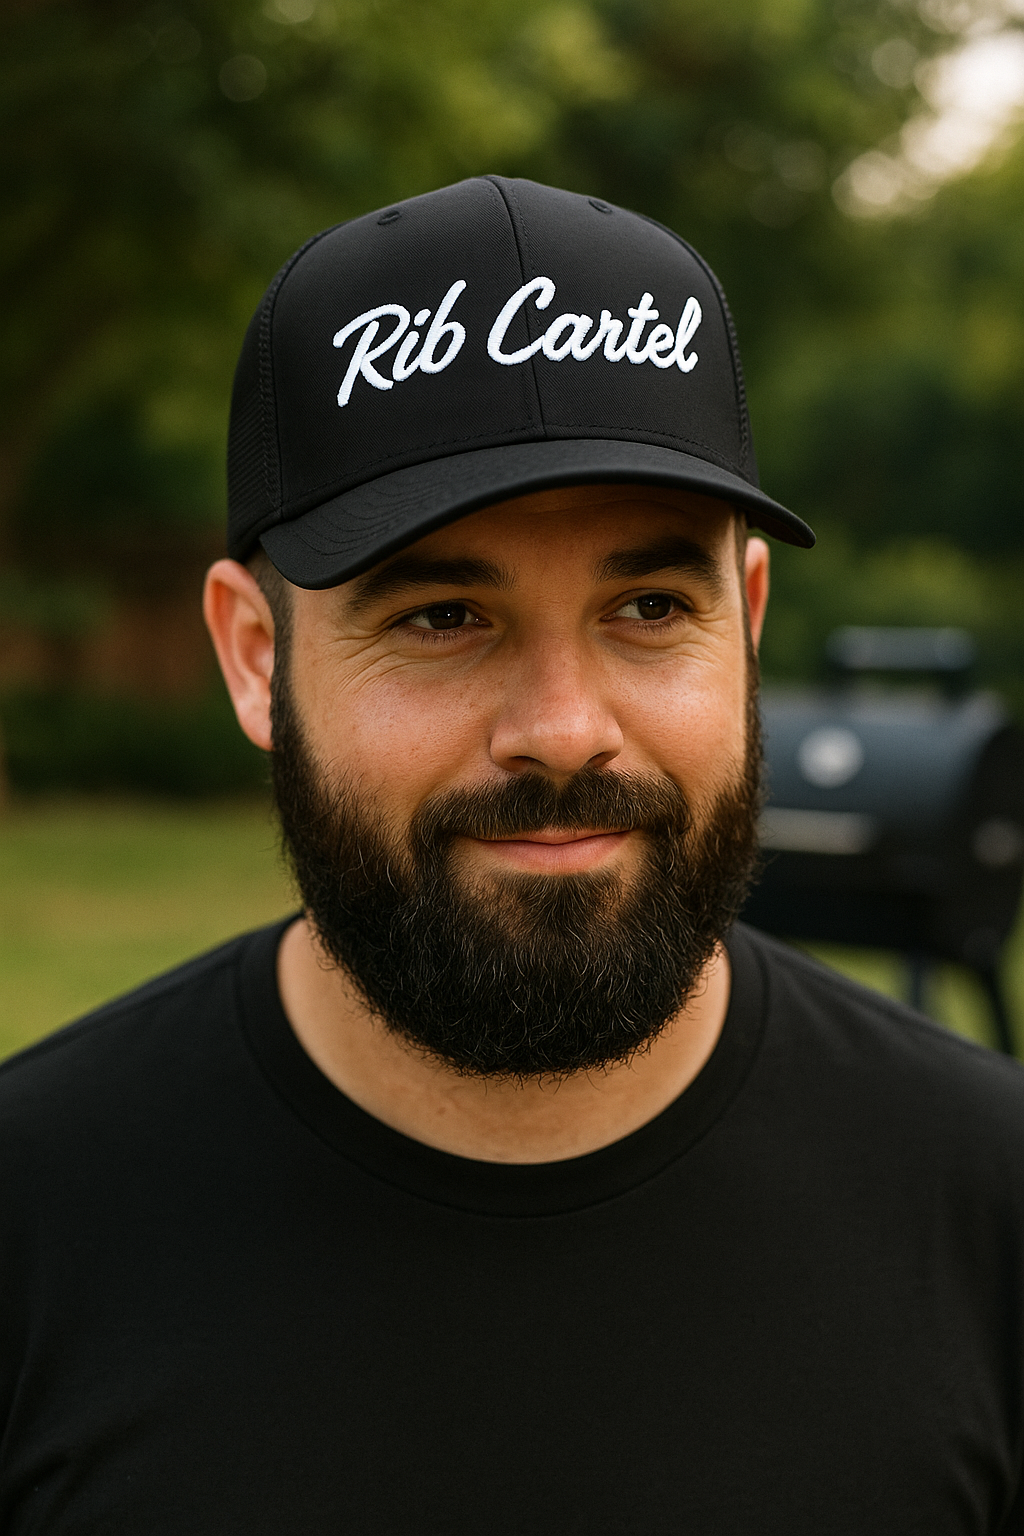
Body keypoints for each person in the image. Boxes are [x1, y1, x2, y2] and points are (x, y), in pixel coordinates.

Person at [1, 176, 1022, 1535]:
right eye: (440, 617)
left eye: (651, 606)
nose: (562, 732)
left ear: (751, 622)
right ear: (258, 657)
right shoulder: (33, 1229)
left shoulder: (994, 1213)